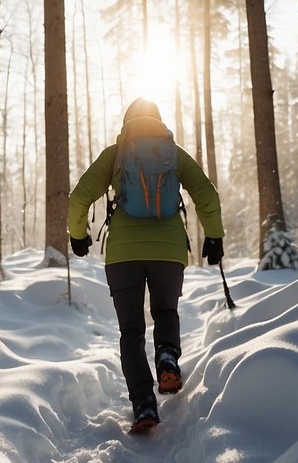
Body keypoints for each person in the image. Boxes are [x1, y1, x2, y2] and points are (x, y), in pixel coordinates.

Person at [68, 97, 224, 434]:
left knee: (132, 331)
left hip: (124, 253)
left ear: (127, 122)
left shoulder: (117, 153)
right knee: (166, 312)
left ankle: (143, 404)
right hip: (169, 250)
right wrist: (214, 236)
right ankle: (167, 357)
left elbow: (79, 196)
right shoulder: (173, 152)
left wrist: (78, 235)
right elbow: (207, 195)